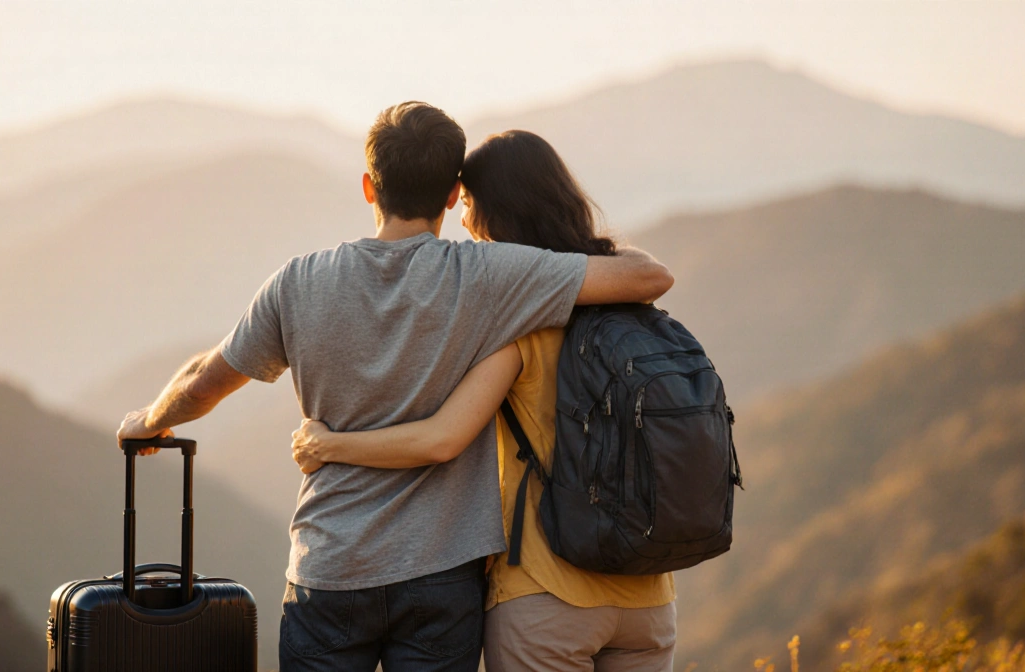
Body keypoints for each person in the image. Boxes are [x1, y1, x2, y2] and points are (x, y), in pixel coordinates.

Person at [116, 103, 674, 672]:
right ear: (455, 194)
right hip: (443, 577)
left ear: (368, 186)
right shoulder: (491, 276)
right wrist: (576, 241)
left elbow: (208, 379)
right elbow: (649, 277)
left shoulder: (298, 281)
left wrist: (151, 417)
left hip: (329, 568)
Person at [290, 130, 678, 672]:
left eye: (472, 205)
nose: (467, 223)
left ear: (498, 211)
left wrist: (330, 443)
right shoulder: (635, 313)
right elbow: (653, 273)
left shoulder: (522, 327)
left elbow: (441, 438)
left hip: (548, 593)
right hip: (648, 600)